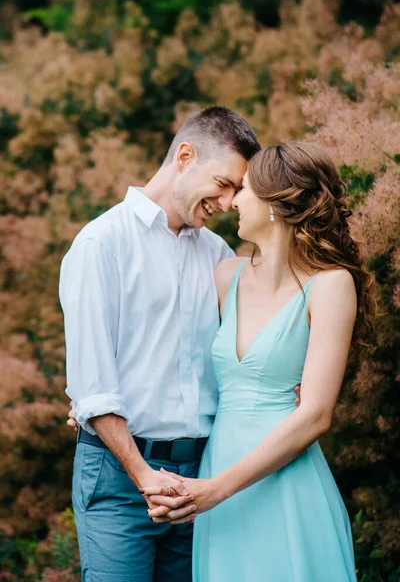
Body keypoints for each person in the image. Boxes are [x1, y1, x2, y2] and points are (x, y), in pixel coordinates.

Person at [61, 106, 298, 582]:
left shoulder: (216, 254)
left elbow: (246, 347)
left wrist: (289, 383)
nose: (230, 201)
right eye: (224, 183)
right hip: (119, 476)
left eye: (238, 191)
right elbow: (93, 383)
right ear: (185, 156)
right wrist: (143, 474)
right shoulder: (101, 244)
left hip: (203, 474)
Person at [143, 142, 376, 581]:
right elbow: (162, 346)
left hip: (284, 482)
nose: (231, 202)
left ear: (275, 204)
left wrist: (215, 489)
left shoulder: (330, 285)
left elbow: (317, 415)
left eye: (244, 189)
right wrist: (90, 395)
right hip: (217, 478)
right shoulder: (223, 277)